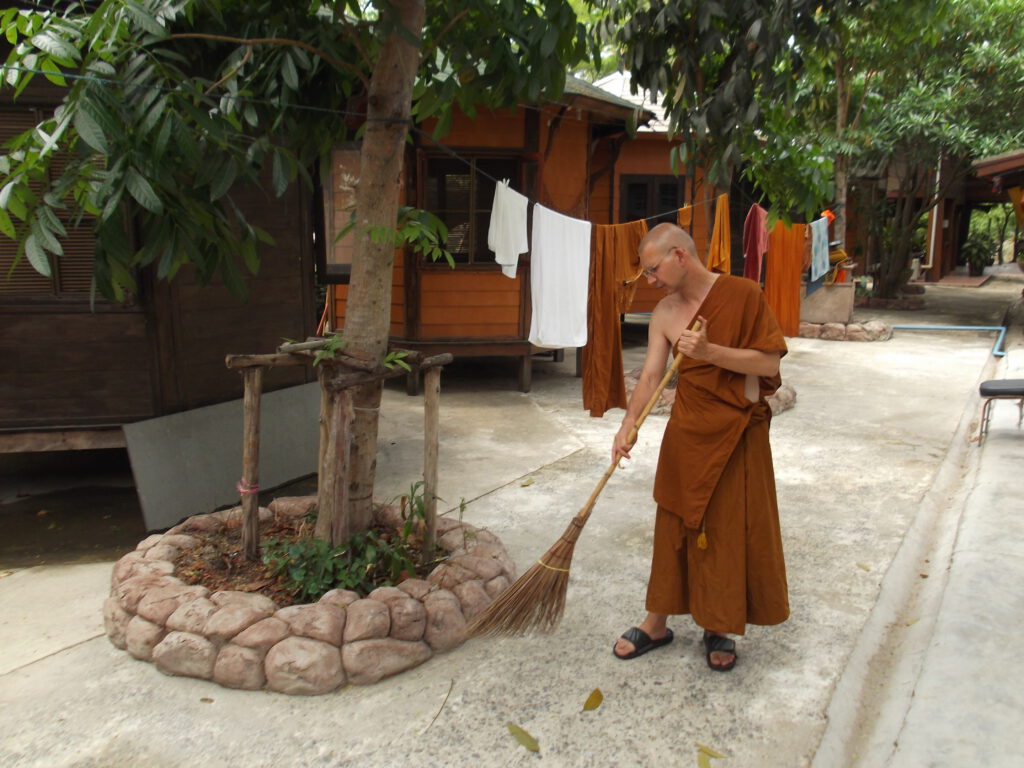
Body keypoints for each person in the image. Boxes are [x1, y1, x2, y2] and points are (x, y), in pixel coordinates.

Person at [611, 222, 789, 671]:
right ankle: (656, 622)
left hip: (736, 434)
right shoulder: (666, 313)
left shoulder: (744, 294)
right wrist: (629, 424)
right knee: (674, 522)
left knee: (726, 527)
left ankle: (718, 625)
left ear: (679, 256)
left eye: (652, 270)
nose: (649, 280)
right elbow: (651, 374)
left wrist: (711, 353)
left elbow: (767, 361)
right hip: (689, 432)